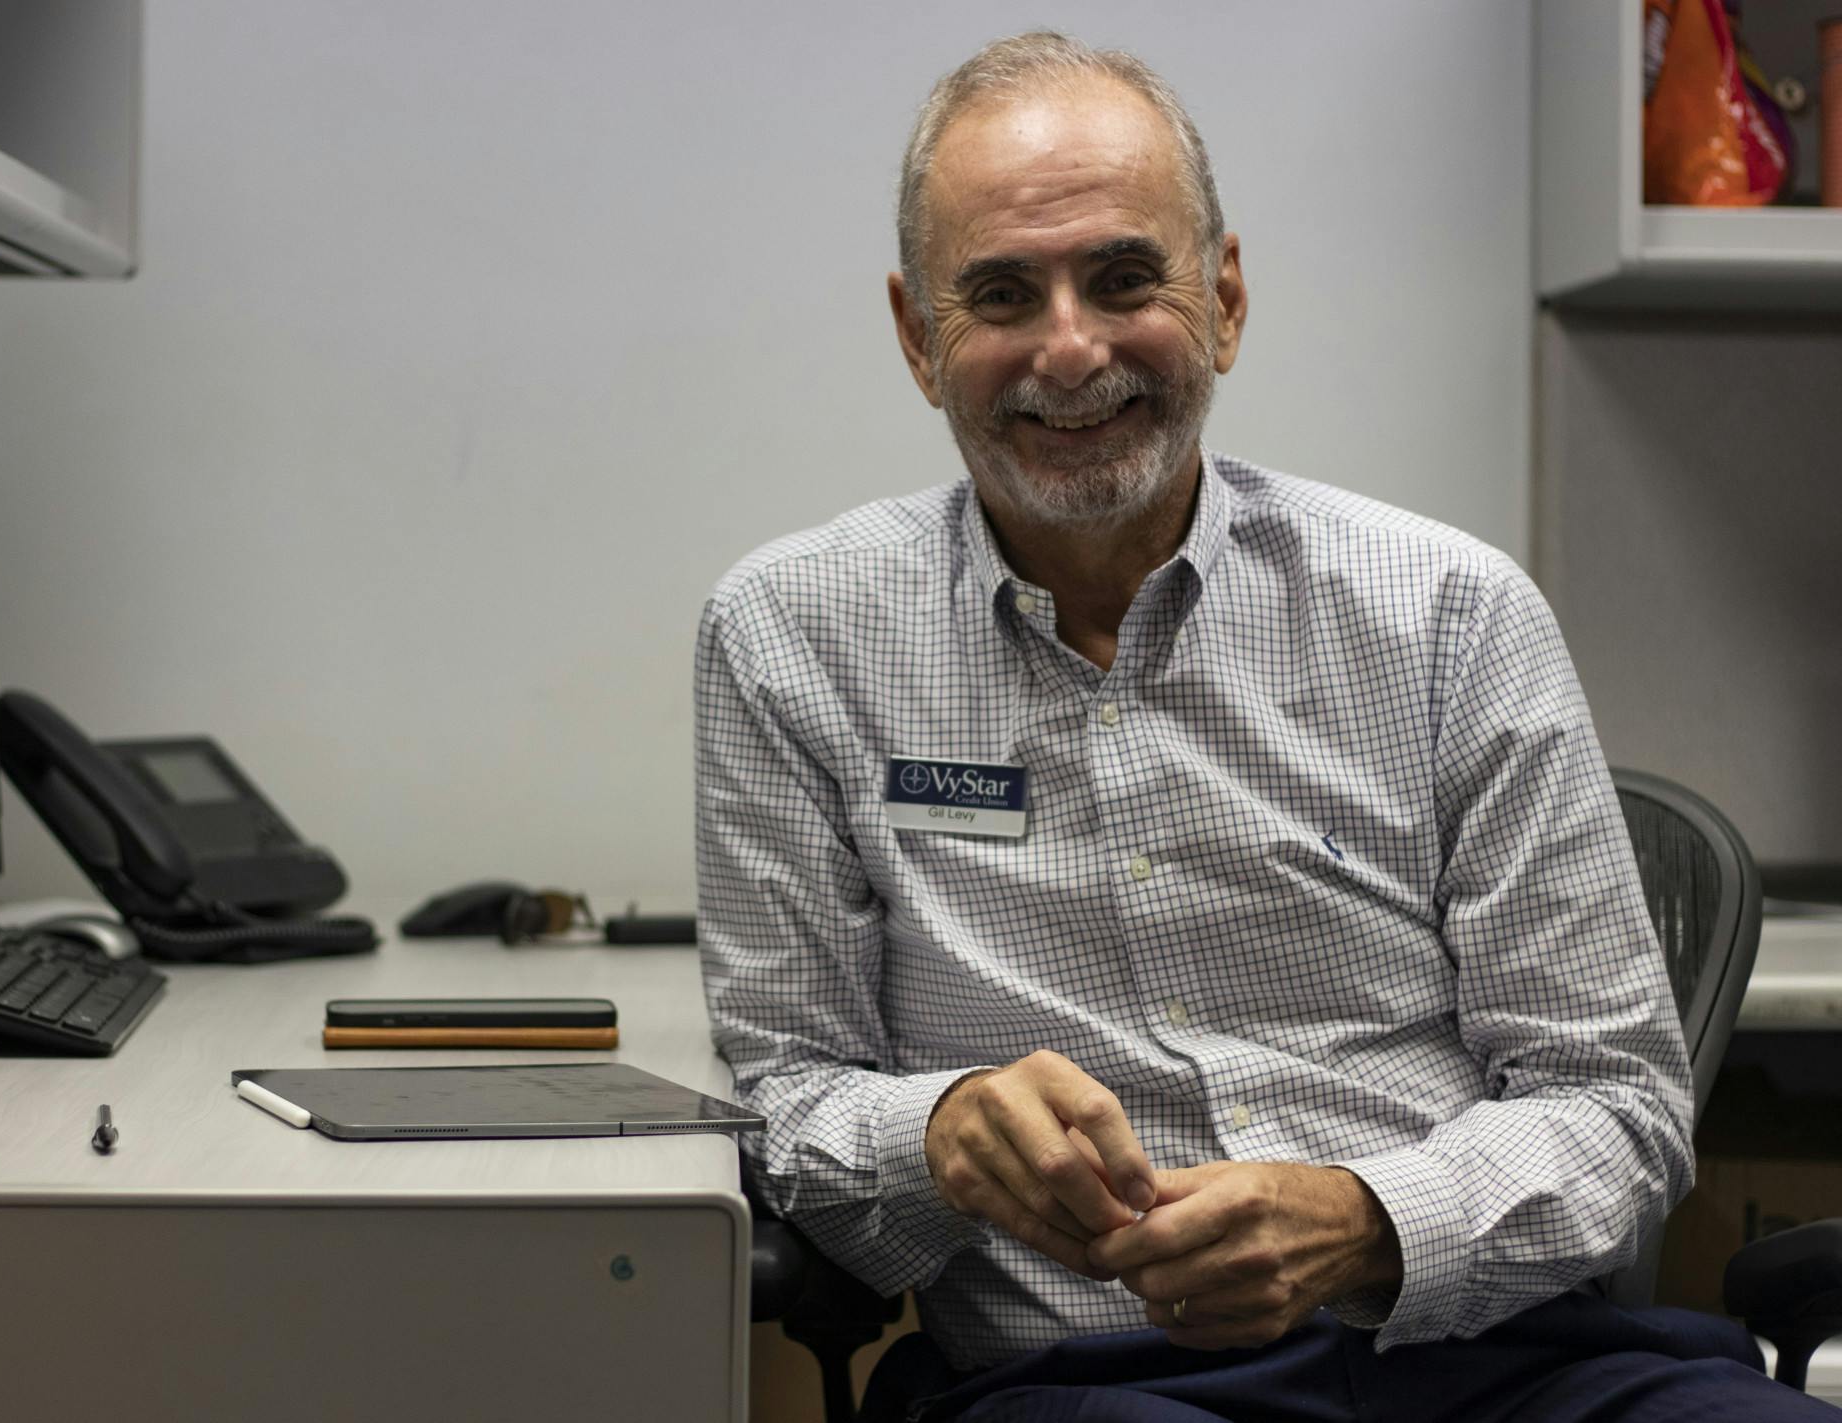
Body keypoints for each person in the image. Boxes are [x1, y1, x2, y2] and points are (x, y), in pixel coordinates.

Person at [694, 31, 1825, 1421]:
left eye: (1124, 279)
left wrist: (1368, 1219)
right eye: (999, 294)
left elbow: (1621, 1113)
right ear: (919, 340)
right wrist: (934, 1137)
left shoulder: (1447, 613)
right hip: (1091, 1382)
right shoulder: (792, 640)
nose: (1069, 346)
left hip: (1505, 1373)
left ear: (1224, 299)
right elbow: (790, 1105)